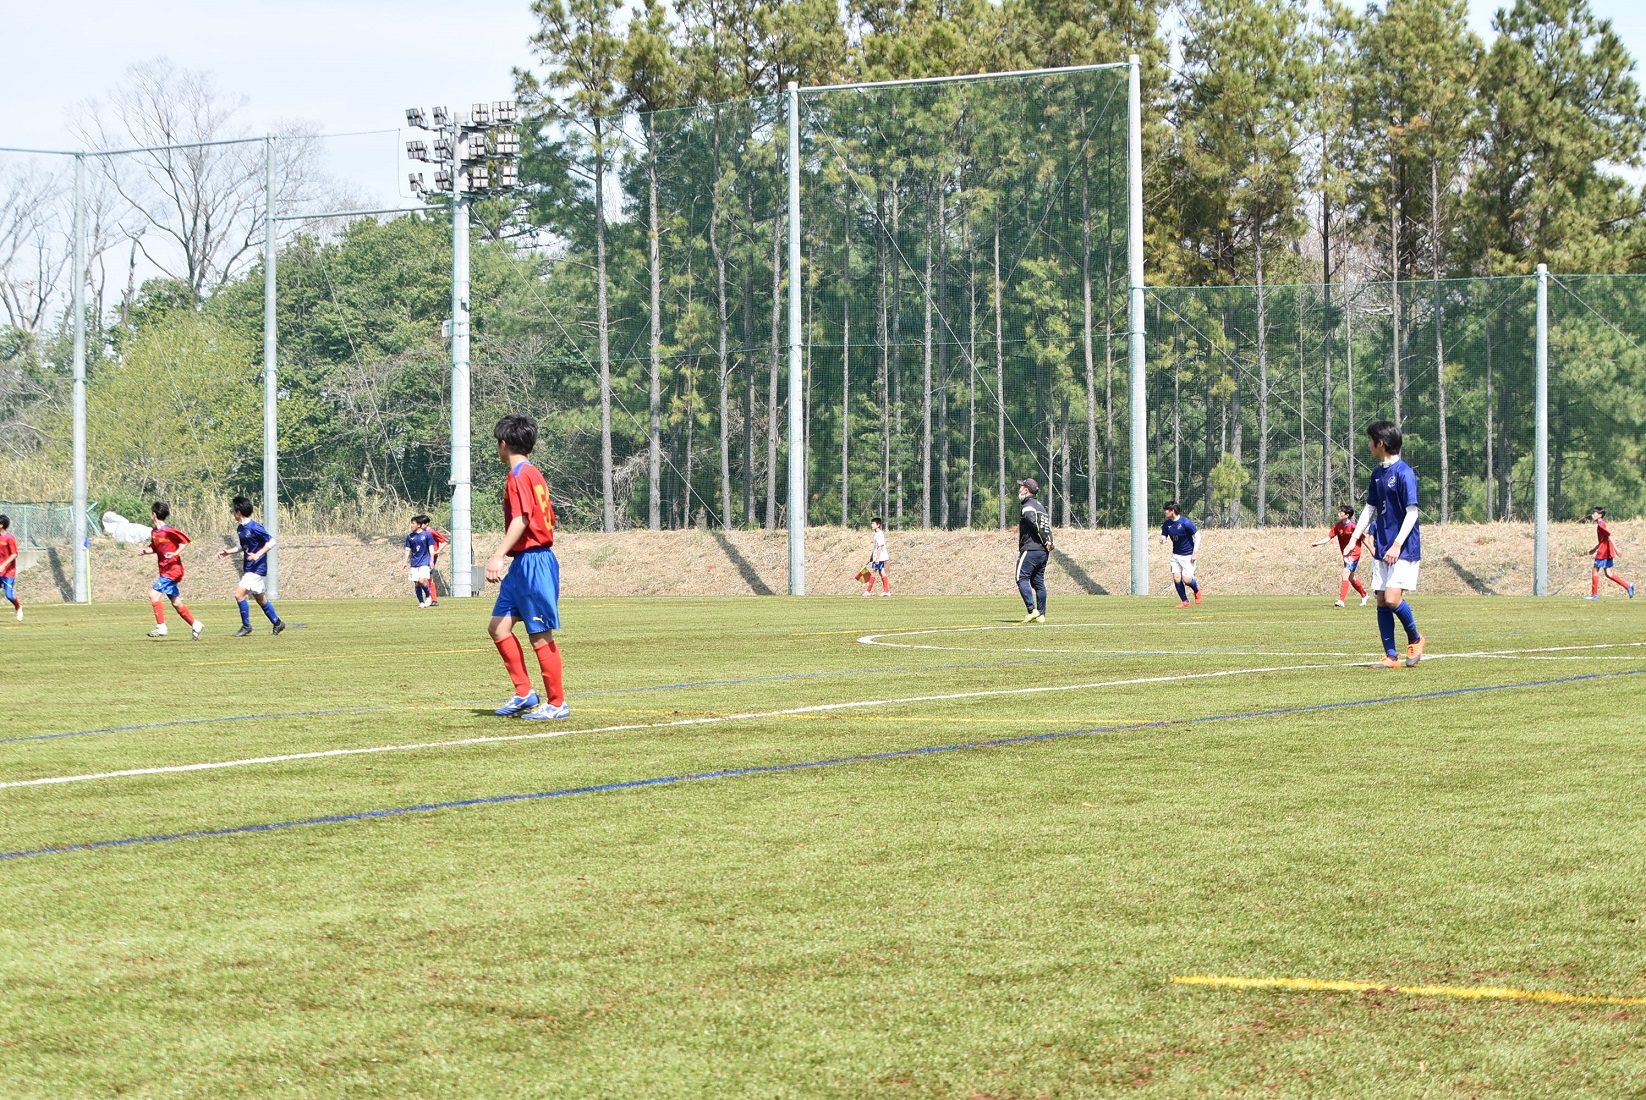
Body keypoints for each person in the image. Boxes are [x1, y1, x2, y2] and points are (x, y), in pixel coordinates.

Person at [485, 413, 568, 720]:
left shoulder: (520, 475)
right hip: (522, 564)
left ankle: (557, 703)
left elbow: (522, 519)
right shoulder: (530, 472)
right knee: (498, 627)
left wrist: (497, 555)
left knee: (539, 633)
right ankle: (525, 693)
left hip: (535, 561)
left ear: (503, 443)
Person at [1344, 421, 1425, 668]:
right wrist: (1354, 539)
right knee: (1381, 600)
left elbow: (1412, 513)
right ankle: (1391, 656)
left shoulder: (1404, 473)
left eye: (1371, 440)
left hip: (1404, 547)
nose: (1368, 445)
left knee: (1391, 598)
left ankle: (1416, 638)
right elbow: (1369, 509)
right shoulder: (1377, 474)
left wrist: (1397, 544)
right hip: (1382, 546)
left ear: (1381, 443)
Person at [218, 495, 284, 636]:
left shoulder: (255, 527)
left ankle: (246, 626)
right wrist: (228, 552)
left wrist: (257, 555)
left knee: (239, 594)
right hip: (249, 567)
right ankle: (278, 623)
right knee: (261, 599)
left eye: (233, 510)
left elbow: (271, 541)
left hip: (256, 568)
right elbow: (243, 546)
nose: (233, 513)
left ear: (238, 512)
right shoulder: (240, 528)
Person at [141, 501, 202, 640]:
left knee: (153, 595)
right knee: (176, 602)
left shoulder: (168, 530)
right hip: (165, 570)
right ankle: (195, 624)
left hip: (173, 570)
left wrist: (175, 553)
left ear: (154, 514)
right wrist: (145, 551)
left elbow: (185, 541)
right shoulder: (154, 532)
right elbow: (155, 548)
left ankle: (161, 627)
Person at [1311, 504, 1371, 608]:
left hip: (1354, 554)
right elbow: (1328, 537)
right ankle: (1364, 595)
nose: (1339, 513)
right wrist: (1317, 543)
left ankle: (1341, 600)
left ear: (1347, 515)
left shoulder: (1353, 527)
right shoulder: (1337, 526)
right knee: (1351, 578)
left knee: (1345, 573)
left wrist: (1372, 550)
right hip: (1345, 555)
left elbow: (1364, 538)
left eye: (1341, 512)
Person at [1015, 477, 1052, 624]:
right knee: (1038, 582)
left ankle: (1032, 610)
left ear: (1026, 490)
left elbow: (1033, 523)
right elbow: (1046, 526)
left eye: (1021, 487)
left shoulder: (1028, 506)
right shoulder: (1040, 506)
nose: (1019, 489)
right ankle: (1041, 615)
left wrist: (1044, 539)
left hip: (1031, 549)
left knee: (1021, 578)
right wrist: (1049, 541)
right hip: (1043, 551)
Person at [1584, 507, 1635, 600]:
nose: (1593, 515)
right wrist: (1594, 549)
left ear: (1600, 515)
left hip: (1603, 552)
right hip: (1606, 551)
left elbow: (1609, 536)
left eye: (1595, 513)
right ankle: (1628, 586)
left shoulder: (1601, 525)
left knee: (1595, 571)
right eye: (1593, 513)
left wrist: (1617, 550)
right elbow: (1603, 540)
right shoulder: (1600, 524)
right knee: (1608, 573)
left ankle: (1594, 595)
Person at [1160, 501, 1202, 608]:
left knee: (1186, 579)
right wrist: (1163, 539)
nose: (1165, 512)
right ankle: (1185, 601)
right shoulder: (1167, 524)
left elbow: (1197, 536)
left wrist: (1195, 552)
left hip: (1188, 555)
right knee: (1177, 577)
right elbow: (1164, 535)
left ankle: (1196, 589)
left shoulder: (1185, 522)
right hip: (1175, 556)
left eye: (1166, 510)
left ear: (1172, 511)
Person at [403, 514, 440, 608]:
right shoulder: (410, 537)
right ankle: (421, 602)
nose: (411, 525)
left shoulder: (427, 535)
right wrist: (405, 562)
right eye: (411, 523)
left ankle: (428, 595)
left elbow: (431, 549)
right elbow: (407, 550)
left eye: (413, 523)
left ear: (419, 525)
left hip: (424, 562)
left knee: (421, 580)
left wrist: (431, 561)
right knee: (416, 583)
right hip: (414, 563)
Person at [864, 517, 890, 597]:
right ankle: (887, 591)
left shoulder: (879, 534)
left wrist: (877, 558)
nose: (872, 525)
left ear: (878, 525)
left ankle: (868, 591)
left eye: (873, 523)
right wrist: (872, 556)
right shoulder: (876, 534)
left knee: (874, 572)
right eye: (871, 523)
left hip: (880, 557)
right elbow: (875, 547)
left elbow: (880, 546)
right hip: (878, 557)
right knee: (882, 572)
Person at [0, 515, 19, 622]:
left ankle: (18, 606)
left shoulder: (9, 538)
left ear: (2, 525)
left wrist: (3, 565)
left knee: (9, 596)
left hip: (8, 572)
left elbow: (14, 554)